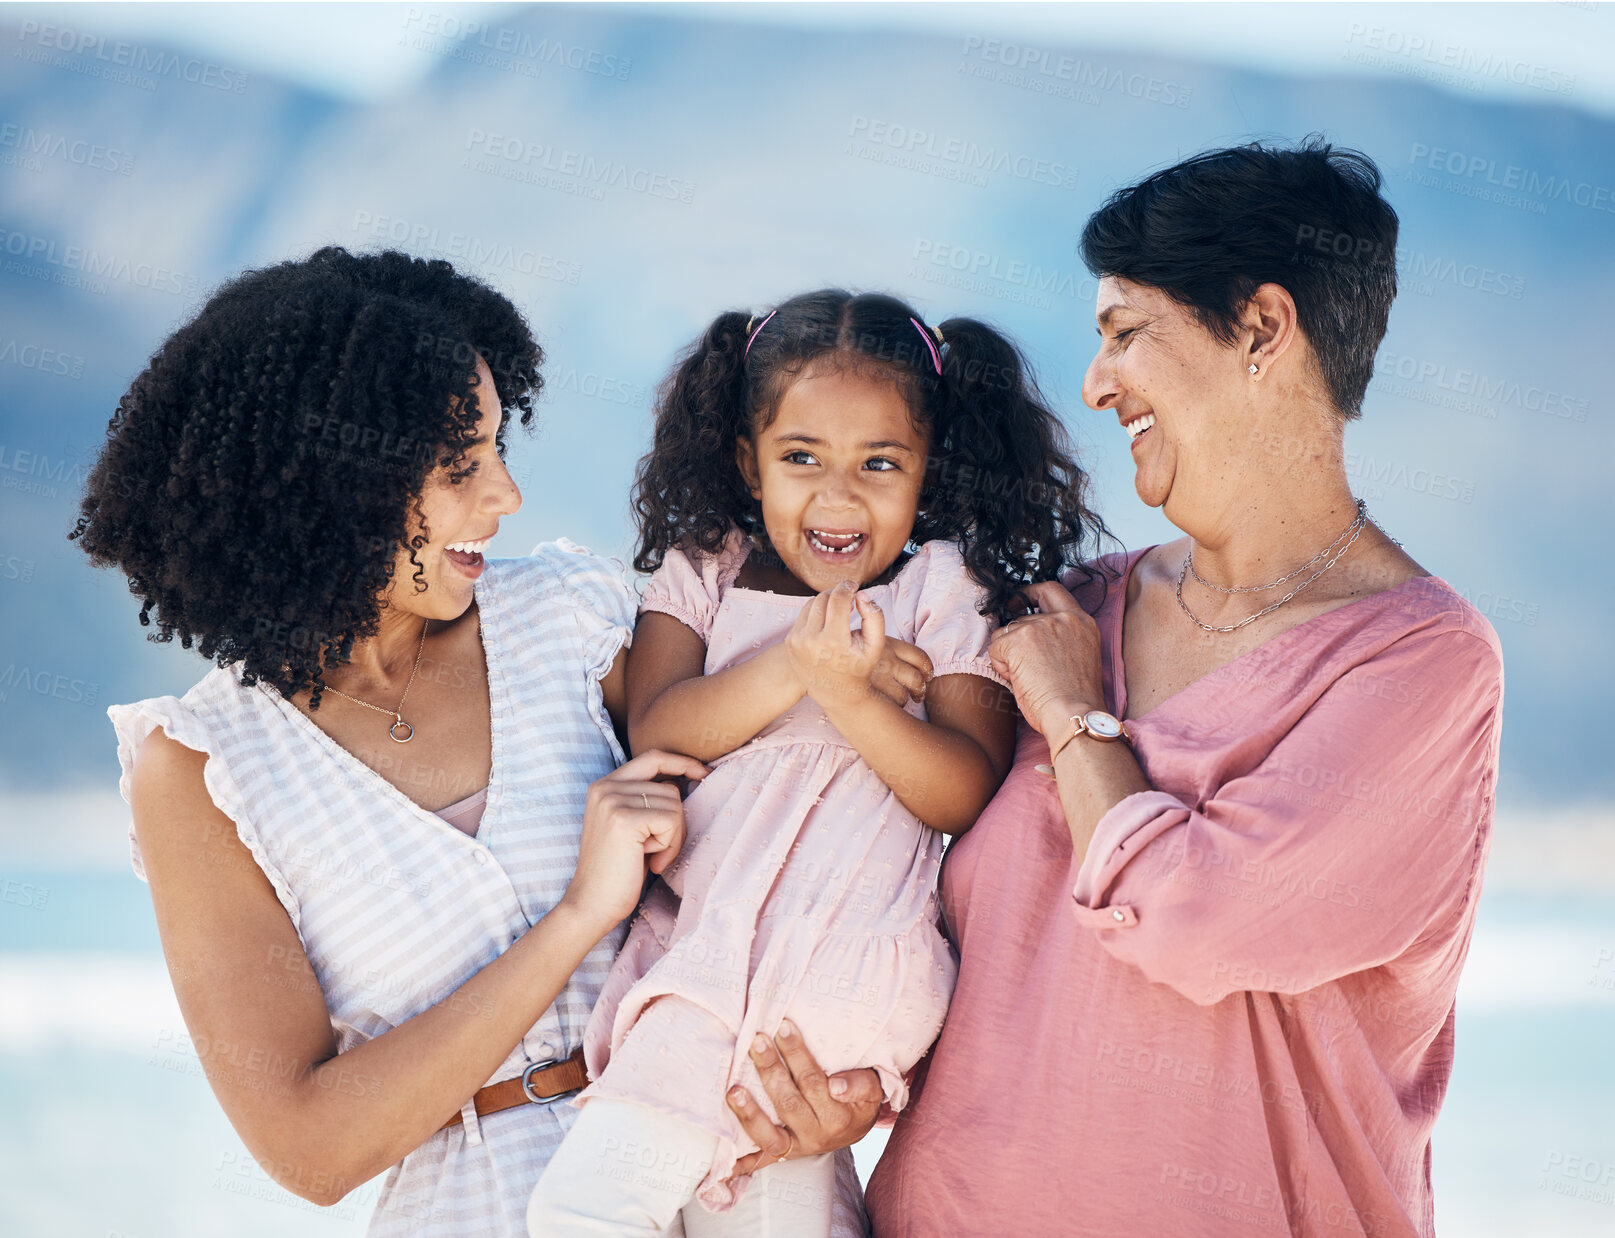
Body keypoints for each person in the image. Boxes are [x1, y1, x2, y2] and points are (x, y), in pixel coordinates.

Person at [72, 248, 876, 1237]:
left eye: (500, 448)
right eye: (462, 467)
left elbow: (796, 841)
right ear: (337, 484)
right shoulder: (203, 768)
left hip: (734, 1169)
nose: (505, 496)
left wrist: (851, 1077)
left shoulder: (575, 619)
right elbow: (312, 1148)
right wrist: (579, 913)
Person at [865, 140, 1505, 1237]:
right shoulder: (1065, 610)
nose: (1093, 381)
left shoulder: (1419, 667)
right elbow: (894, 905)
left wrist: (1075, 719)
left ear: (1261, 328)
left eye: (1123, 332)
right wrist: (820, 1069)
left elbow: (1196, 917)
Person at [527, 290, 1111, 1237]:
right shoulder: (706, 572)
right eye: (800, 458)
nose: (837, 498)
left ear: (928, 472)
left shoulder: (941, 588)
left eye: (880, 464)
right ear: (744, 462)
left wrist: (845, 693)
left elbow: (960, 786)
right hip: (705, 958)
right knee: (768, 1210)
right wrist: (804, 662)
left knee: (584, 1208)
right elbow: (660, 729)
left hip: (840, 968)